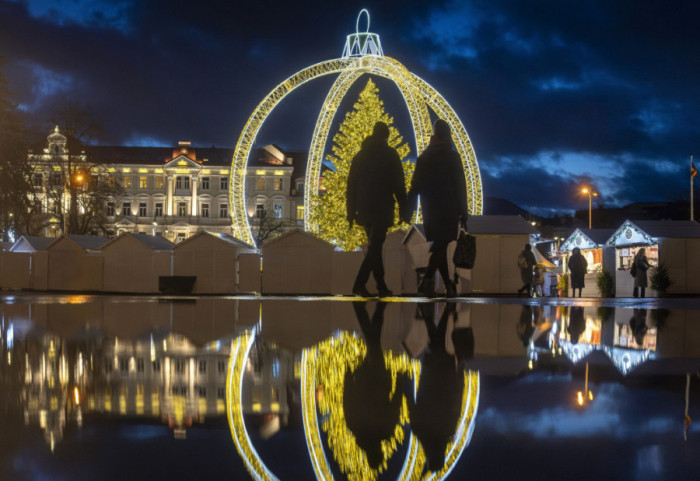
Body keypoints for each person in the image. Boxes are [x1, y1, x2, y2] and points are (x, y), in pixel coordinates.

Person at [404, 119, 467, 298]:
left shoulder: (425, 157)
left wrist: (408, 208)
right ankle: (428, 280)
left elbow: (415, 185)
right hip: (449, 208)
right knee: (441, 244)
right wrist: (463, 210)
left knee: (440, 245)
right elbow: (460, 186)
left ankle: (448, 286)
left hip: (431, 208)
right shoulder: (453, 157)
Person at [346, 121, 406, 297]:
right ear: (386, 137)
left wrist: (351, 212)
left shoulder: (360, 156)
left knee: (375, 246)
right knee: (376, 246)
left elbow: (351, 186)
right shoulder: (390, 155)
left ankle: (381, 285)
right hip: (382, 208)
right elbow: (399, 185)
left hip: (364, 209)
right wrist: (404, 209)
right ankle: (359, 283)